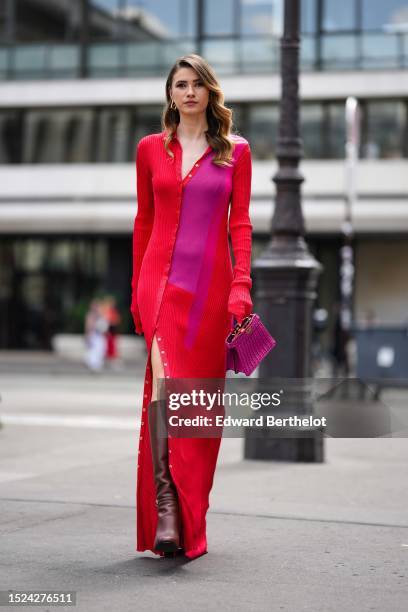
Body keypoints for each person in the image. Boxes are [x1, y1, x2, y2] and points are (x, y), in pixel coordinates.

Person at [130, 54, 253, 560]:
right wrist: (136, 288)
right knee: (165, 385)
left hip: (210, 290)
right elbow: (143, 221)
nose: (189, 92)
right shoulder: (149, 150)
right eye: (181, 84)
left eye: (198, 84)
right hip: (158, 283)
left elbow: (239, 225)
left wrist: (241, 285)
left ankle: (189, 513)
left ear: (210, 92)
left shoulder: (236, 153)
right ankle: (165, 509)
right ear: (170, 93)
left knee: (197, 404)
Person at [84, 299, 109, 373]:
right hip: (93, 335)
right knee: (94, 350)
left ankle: (97, 364)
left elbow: (104, 325)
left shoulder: (100, 314)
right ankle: (92, 364)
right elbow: (88, 326)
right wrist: (87, 335)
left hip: (99, 336)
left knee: (101, 349)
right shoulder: (90, 315)